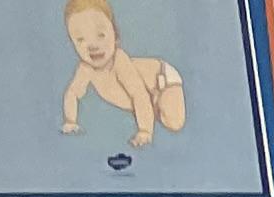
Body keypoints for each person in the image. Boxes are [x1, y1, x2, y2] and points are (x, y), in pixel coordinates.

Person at [57, 0, 187, 140]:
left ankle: (154, 109)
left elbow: (139, 95)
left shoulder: (119, 61)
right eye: (81, 39)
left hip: (162, 80)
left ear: (115, 34)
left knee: (174, 123)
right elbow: (72, 93)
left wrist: (145, 131)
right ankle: (152, 109)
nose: (92, 45)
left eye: (100, 35)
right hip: (150, 97)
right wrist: (70, 121)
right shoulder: (85, 69)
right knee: (154, 112)